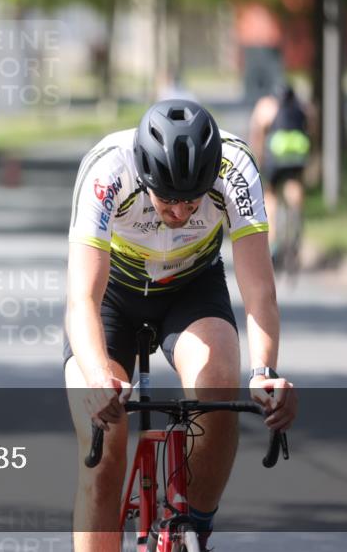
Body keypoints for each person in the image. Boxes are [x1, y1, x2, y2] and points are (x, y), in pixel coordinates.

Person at [64, 99, 297, 551]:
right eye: (167, 198)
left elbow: (259, 292)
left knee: (217, 384)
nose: (180, 211)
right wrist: (96, 379)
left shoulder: (236, 167)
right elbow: (82, 299)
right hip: (113, 296)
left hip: (191, 289)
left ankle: (193, 526)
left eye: (193, 199)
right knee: (104, 447)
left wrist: (265, 373)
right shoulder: (107, 170)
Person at [248, 84, 312, 262]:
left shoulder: (266, 106)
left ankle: (274, 240)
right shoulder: (302, 106)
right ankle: (296, 214)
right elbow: (310, 129)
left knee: (270, 193)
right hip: (298, 153)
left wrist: (258, 157)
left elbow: (257, 133)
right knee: (294, 183)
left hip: (276, 156)